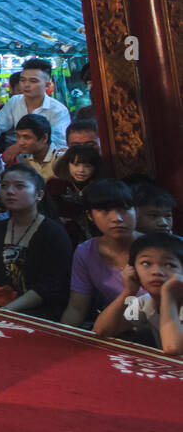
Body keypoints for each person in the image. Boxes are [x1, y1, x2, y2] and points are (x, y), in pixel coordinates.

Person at [0, 164, 73, 321]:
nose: (10, 191)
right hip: (1, 303)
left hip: (40, 311)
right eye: (4, 186)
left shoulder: (53, 233)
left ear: (39, 195)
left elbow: (48, 287)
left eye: (19, 186)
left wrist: (4, 312)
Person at [59, 179, 140, 328]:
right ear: (90, 216)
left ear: (136, 210)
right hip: (116, 328)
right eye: (105, 211)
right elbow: (77, 308)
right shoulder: (85, 252)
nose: (117, 218)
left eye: (123, 209)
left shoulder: (159, 247)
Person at [93, 233, 183, 355]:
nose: (156, 271)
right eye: (146, 263)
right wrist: (128, 291)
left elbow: (174, 348)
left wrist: (168, 296)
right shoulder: (143, 303)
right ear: (133, 270)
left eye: (169, 265)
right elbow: (102, 330)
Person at [0, 58, 72, 152]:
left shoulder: (58, 110)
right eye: (23, 80)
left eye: (33, 81)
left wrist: (19, 147)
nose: (26, 85)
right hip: (18, 162)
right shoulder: (14, 102)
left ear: (47, 85)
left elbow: (60, 143)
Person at [45, 145, 105, 246]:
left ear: (95, 167)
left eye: (87, 166)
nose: (81, 170)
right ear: (67, 164)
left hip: (98, 239)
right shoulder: (55, 186)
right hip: (63, 238)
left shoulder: (102, 187)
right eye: (75, 165)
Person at [13, 113, 61, 181]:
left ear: (44, 138)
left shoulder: (61, 159)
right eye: (18, 136)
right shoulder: (21, 159)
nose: (20, 142)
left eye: (26, 137)